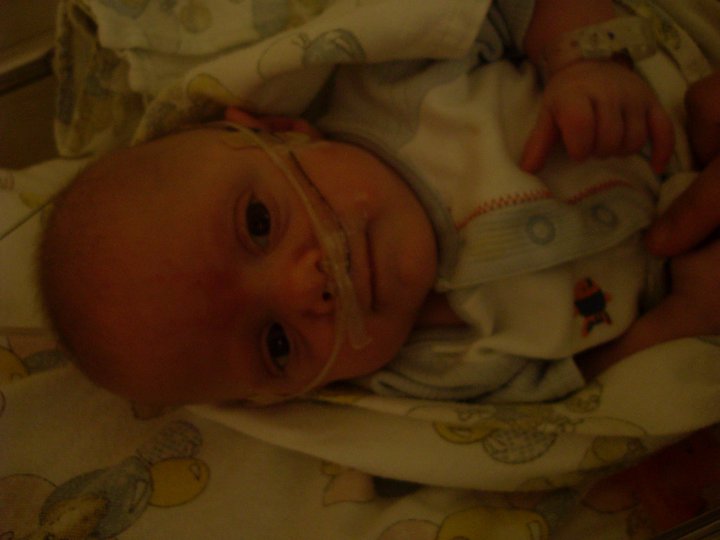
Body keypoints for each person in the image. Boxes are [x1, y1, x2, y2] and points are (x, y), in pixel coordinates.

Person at [37, 1, 718, 405]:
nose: (306, 287)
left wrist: (583, 60)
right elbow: (580, 385)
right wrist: (684, 313)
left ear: (279, 130)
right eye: (278, 343)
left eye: (259, 223)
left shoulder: (400, 81)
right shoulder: (434, 364)